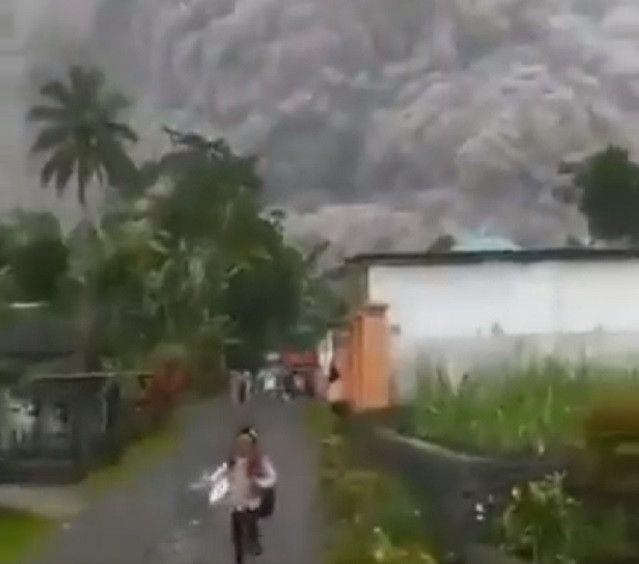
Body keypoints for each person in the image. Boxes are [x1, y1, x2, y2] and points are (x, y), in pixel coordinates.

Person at [208, 426, 277, 564]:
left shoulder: (258, 462)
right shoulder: (233, 461)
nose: (242, 447)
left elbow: (271, 478)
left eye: (246, 444)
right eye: (240, 444)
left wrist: (259, 482)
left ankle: (253, 540)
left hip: (251, 505)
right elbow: (221, 473)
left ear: (252, 446)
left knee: (250, 526)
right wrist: (216, 480)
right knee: (236, 538)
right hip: (236, 505)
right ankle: (239, 557)